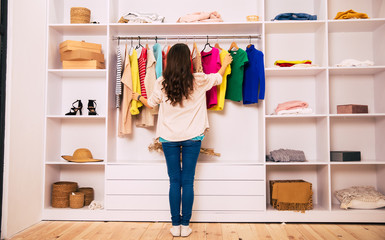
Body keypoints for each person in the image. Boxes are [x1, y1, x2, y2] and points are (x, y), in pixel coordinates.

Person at [133, 43, 232, 237]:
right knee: (187, 182)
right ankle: (185, 226)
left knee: (174, 182)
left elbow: (151, 103)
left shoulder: (162, 82)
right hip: (193, 137)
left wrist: (137, 96)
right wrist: (225, 63)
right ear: (188, 60)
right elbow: (218, 78)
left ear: (169, 60)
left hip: (169, 138)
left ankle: (175, 225)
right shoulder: (199, 80)